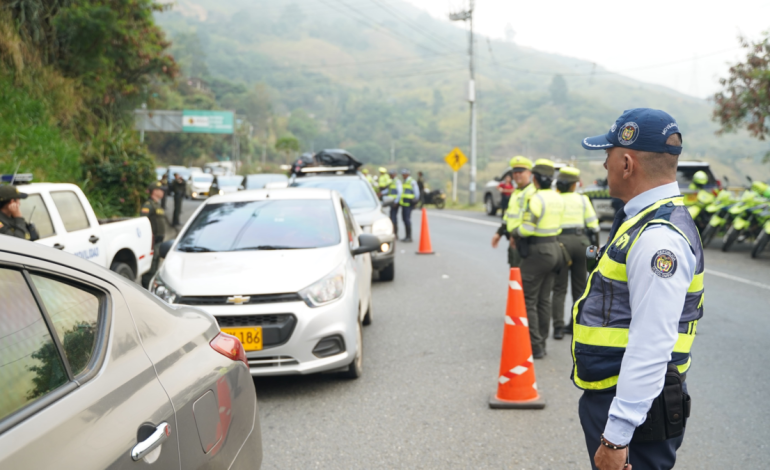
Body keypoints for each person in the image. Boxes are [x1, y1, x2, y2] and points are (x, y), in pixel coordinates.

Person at [575, 108, 703, 470]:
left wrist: (616, 436)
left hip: (635, 411)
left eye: (608, 154)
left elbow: (651, 343)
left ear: (627, 163)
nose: (605, 165)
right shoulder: (643, 221)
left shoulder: (657, 238)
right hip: (627, 398)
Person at [509, 159, 564, 359]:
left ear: (535, 178)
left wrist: (515, 232)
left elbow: (527, 229)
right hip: (555, 249)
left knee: (527, 299)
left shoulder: (536, 199)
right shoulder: (557, 197)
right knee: (543, 300)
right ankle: (542, 342)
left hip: (538, 251)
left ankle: (535, 345)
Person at [551, 166, 599, 339]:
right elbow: (594, 226)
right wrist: (594, 250)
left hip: (560, 244)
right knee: (580, 288)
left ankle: (558, 328)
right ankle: (574, 325)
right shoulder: (583, 199)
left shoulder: (555, 199)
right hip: (581, 243)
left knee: (559, 288)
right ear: (574, 185)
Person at [491, 156, 536, 268]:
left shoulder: (532, 192)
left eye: (521, 172)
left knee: (522, 275)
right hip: (514, 241)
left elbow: (531, 219)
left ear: (529, 173)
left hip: (524, 242)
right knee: (514, 273)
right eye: (515, 172)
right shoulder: (516, 192)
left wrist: (516, 236)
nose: (517, 175)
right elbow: (509, 216)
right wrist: (499, 233)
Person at [141, 181, 166, 286]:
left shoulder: (157, 205)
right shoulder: (148, 205)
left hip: (158, 241)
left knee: (155, 265)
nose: (162, 192)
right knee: (150, 268)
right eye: (160, 190)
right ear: (155, 191)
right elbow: (143, 221)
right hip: (152, 241)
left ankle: (151, 286)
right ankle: (146, 289)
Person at [399, 168, 420, 242]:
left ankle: (409, 237)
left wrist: (415, 202)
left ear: (407, 174)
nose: (403, 176)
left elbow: (417, 193)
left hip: (409, 204)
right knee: (404, 219)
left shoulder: (412, 181)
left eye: (404, 174)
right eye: (402, 174)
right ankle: (407, 236)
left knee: (407, 219)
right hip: (404, 204)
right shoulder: (405, 181)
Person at [386, 170, 401, 236]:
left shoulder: (397, 181)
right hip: (392, 202)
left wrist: (396, 201)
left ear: (394, 174)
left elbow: (400, 192)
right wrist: (381, 193)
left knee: (393, 217)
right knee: (392, 217)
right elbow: (389, 190)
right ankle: (393, 233)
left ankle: (395, 234)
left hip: (395, 203)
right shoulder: (392, 181)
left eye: (391, 174)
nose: (390, 175)